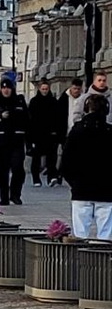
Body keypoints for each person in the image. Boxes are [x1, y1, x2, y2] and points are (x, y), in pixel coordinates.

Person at [61, 93, 112, 240]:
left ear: (86, 109)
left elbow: (66, 161)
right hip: (107, 190)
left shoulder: (77, 130)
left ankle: (80, 261)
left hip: (81, 189)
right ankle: (102, 261)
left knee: (80, 234)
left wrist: (73, 182)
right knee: (105, 234)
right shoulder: (110, 132)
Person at [0, 77, 29, 206]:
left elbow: (27, 119)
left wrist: (28, 138)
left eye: (8, 88)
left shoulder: (19, 100)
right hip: (1, 140)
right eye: (3, 88)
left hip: (16, 140)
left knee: (18, 168)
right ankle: (4, 196)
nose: (6, 90)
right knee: (2, 170)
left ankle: (15, 194)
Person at [27, 79, 62, 187]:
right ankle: (36, 178)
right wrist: (30, 137)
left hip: (50, 134)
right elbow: (30, 120)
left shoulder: (53, 101)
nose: (45, 91)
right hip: (37, 134)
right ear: (39, 89)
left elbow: (57, 118)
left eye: (46, 89)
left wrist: (56, 132)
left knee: (52, 157)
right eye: (43, 89)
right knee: (36, 157)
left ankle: (52, 177)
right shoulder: (34, 102)